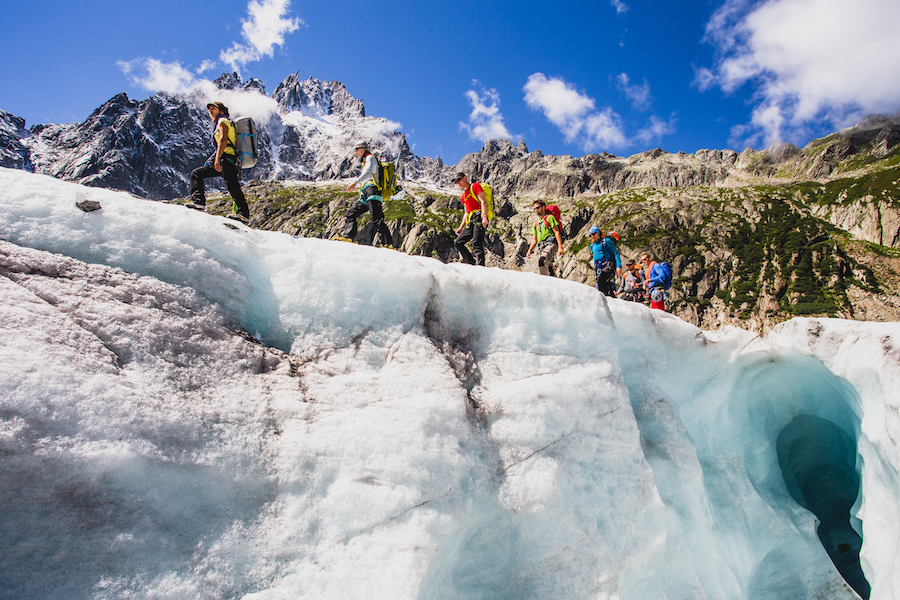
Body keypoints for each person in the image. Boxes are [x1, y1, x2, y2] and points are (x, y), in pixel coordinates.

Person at [186, 102, 250, 223]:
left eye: (213, 108)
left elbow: (223, 139)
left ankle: (199, 203)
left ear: (221, 110)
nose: (210, 110)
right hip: (229, 159)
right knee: (232, 186)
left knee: (198, 174)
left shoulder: (222, 121)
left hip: (225, 159)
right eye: (209, 108)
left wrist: (217, 159)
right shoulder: (224, 121)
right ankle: (243, 214)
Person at [340, 142, 395, 247]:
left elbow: (368, 172)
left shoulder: (370, 158)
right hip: (365, 193)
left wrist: (355, 182)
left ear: (363, 148)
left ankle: (387, 244)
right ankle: (348, 236)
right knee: (351, 213)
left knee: (376, 218)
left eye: (357, 149)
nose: (355, 153)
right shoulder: (365, 161)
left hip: (373, 191)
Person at [452, 172, 490, 265]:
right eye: (456, 182)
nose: (458, 183)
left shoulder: (475, 186)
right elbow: (466, 212)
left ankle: (480, 267)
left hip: (479, 217)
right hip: (471, 220)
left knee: (477, 243)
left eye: (459, 180)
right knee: (458, 242)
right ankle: (471, 263)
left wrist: (484, 217)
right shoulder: (464, 195)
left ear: (465, 178)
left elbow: (483, 201)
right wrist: (461, 227)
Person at [526, 200, 564, 276]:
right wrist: (529, 250)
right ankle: (555, 283)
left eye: (537, 208)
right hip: (542, 247)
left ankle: (545, 283)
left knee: (542, 261)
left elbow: (556, 232)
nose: (536, 210)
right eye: (535, 208)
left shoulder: (549, 218)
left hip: (551, 244)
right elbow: (534, 240)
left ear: (543, 207)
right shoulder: (536, 224)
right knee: (549, 267)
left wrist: (560, 247)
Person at [589, 226, 622, 296]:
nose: (592, 236)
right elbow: (595, 259)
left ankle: (608, 297)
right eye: (590, 235)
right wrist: (595, 271)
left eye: (593, 234)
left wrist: (618, 266)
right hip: (598, 266)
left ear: (598, 233)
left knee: (602, 279)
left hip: (608, 264)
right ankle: (610, 296)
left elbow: (615, 253)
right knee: (601, 282)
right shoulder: (592, 246)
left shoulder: (607, 241)